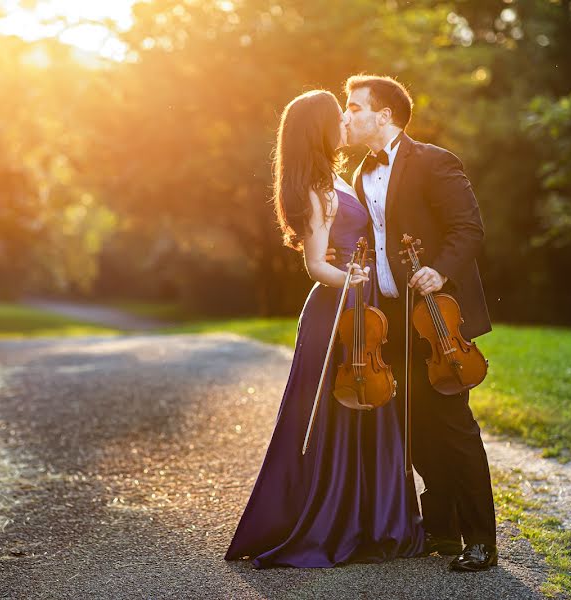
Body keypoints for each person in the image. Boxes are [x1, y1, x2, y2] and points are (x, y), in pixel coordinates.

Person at [223, 89, 424, 568]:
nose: (347, 120)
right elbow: (316, 264)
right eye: (340, 115)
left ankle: (374, 521)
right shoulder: (315, 188)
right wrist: (351, 278)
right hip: (337, 309)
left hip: (364, 303)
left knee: (370, 403)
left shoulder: (339, 177)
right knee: (334, 412)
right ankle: (333, 522)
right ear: (320, 127)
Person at [341, 74, 497, 572]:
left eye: (355, 107)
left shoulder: (434, 161)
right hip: (389, 322)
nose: (349, 115)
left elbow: (469, 229)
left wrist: (440, 269)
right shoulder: (359, 176)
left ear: (384, 114)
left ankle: (481, 540)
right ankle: (443, 530)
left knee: (453, 427)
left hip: (436, 319)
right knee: (413, 429)